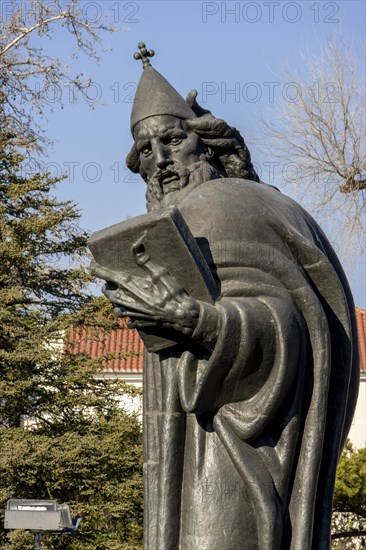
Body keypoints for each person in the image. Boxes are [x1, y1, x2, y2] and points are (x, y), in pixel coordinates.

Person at [90, 44, 359, 550]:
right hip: (209, 445)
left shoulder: (225, 204)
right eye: (146, 152)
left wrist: (195, 320)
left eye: (173, 141)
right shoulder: (217, 211)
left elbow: (282, 323)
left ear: (208, 145)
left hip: (232, 451)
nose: (161, 162)